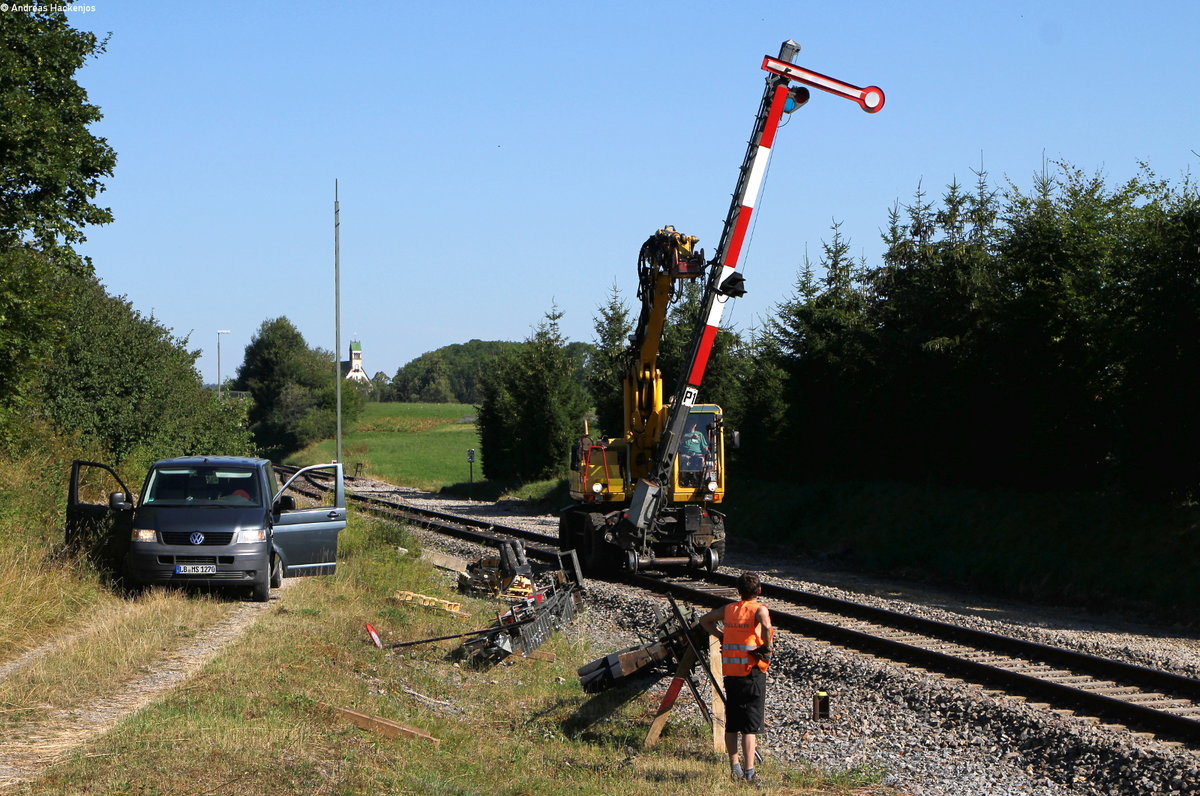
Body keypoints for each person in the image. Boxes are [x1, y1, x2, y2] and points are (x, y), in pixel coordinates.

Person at [700, 571, 774, 784]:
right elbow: (767, 626)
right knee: (750, 726)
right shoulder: (759, 609)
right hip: (752, 673)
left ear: (738, 592)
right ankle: (750, 772)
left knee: (732, 723)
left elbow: (705, 620)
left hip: (731, 674)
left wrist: (722, 636)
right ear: (758, 591)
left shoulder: (729, 610)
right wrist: (767, 647)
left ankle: (735, 767)